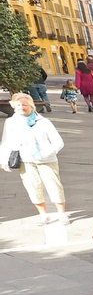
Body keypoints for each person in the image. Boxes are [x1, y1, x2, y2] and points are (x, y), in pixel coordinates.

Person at [1, 94, 66, 223]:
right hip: (25, 160)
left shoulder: (43, 122)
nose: (22, 107)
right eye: (18, 105)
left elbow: (58, 142)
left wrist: (46, 153)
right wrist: (3, 160)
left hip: (46, 159)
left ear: (31, 105)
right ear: (14, 107)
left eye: (24, 105)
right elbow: (6, 142)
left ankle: (61, 214)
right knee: (32, 187)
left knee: (54, 186)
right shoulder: (11, 122)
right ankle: (43, 215)